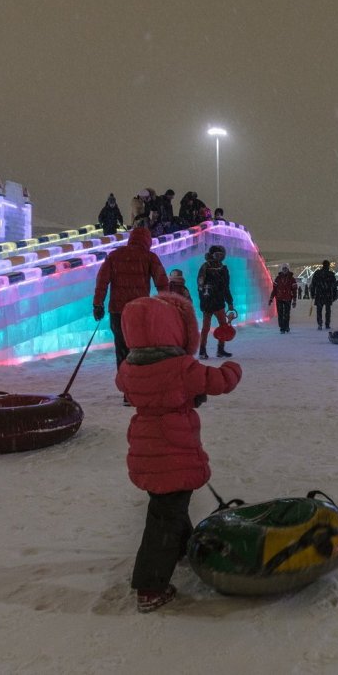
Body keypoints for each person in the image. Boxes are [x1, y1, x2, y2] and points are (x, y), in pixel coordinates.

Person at [115, 292, 242, 613]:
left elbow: (136, 388)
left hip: (146, 448)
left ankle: (182, 547)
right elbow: (218, 381)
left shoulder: (129, 368)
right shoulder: (181, 367)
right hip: (174, 452)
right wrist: (232, 368)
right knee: (163, 519)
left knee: (169, 506)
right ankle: (150, 586)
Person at [93, 226, 169, 377]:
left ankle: (125, 383)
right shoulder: (149, 257)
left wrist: (98, 304)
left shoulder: (114, 256)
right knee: (139, 348)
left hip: (117, 311)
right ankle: (138, 385)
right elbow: (162, 282)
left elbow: (102, 281)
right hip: (139, 312)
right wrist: (167, 304)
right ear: (148, 241)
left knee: (121, 349)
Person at [197, 245, 235, 359]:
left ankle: (220, 350)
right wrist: (203, 301)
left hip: (218, 302)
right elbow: (200, 285)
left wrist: (230, 302)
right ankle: (202, 351)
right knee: (205, 328)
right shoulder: (205, 267)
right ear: (212, 255)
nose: (219, 257)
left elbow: (226, 287)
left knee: (223, 326)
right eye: (217, 254)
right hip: (209, 302)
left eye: (221, 255)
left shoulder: (223, 268)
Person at [268, 263, 298, 333]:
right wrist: (271, 298)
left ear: (288, 269)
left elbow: (294, 290)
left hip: (288, 298)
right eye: (283, 269)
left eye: (286, 269)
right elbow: (274, 289)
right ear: (282, 270)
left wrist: (294, 300)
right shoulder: (278, 278)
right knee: (280, 314)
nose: (284, 270)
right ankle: (282, 327)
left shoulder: (292, 279)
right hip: (279, 298)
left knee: (287, 313)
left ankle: (286, 326)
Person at [309, 260, 337, 330]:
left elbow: (313, 285)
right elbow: (334, 286)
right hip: (328, 294)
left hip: (319, 294)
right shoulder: (331, 274)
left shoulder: (317, 273)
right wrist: (335, 295)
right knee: (328, 310)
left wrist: (312, 294)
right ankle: (327, 324)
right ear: (328, 265)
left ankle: (320, 323)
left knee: (319, 310)